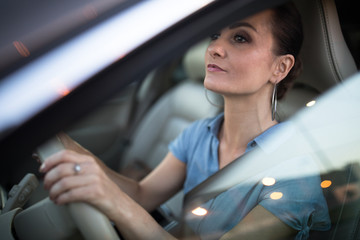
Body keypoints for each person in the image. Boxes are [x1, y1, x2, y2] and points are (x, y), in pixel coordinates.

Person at [40, 2, 330, 239]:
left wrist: (114, 203)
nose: (214, 48)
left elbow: (129, 204)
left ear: (280, 67)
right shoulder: (200, 134)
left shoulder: (294, 175)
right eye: (215, 35)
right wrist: (68, 145)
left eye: (240, 37)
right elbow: (142, 194)